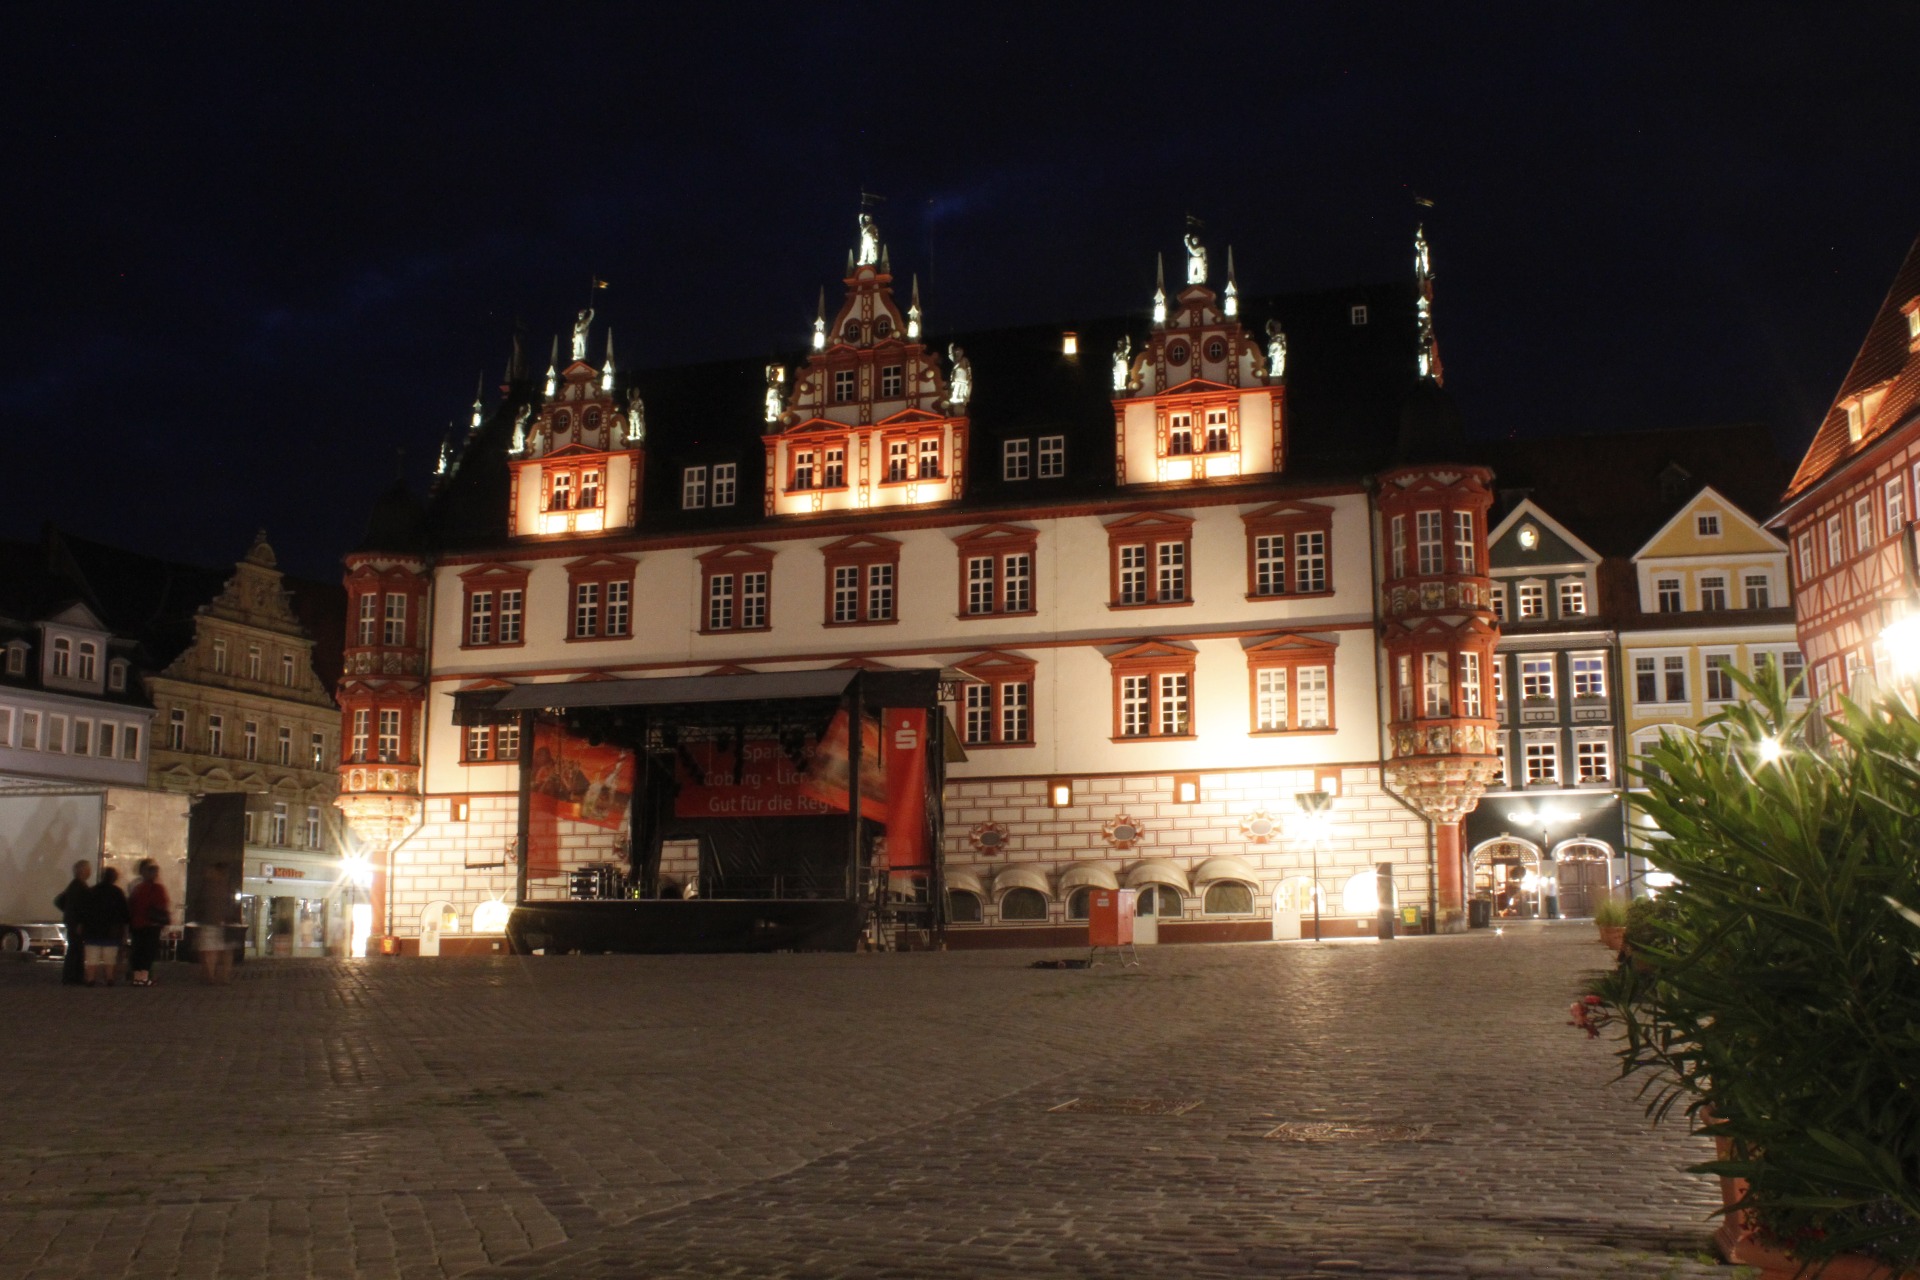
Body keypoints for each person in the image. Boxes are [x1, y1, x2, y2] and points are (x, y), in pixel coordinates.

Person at [80, 866, 130, 987]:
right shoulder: (117, 892)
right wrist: (123, 929)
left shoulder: (92, 891)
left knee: (92, 956)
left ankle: (91, 979)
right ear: (114, 878)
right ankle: (109, 978)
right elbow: (124, 912)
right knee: (110, 957)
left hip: (92, 930)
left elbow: (84, 911)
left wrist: (83, 925)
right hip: (111, 931)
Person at [126, 859, 171, 987]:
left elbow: (131, 905)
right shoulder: (158, 888)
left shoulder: (137, 888)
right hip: (152, 925)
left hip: (137, 924)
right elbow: (162, 904)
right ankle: (144, 978)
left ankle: (137, 978)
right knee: (148, 951)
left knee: (137, 951)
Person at [53, 860, 91, 986]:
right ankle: (73, 976)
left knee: (75, 949)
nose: (89, 872)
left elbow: (59, 900)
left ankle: (73, 976)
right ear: (82, 871)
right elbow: (80, 906)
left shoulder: (74, 885)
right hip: (76, 923)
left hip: (72, 921)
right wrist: (79, 921)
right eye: (88, 869)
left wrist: (67, 912)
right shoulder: (79, 886)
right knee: (76, 949)